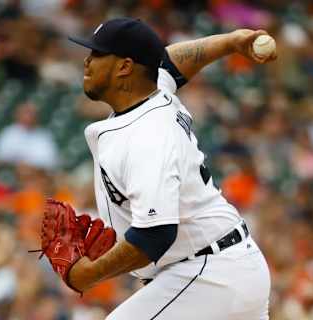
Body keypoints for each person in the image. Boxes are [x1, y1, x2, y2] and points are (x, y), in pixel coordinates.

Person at [66, 18, 276, 319]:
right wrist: (229, 42)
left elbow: (156, 234)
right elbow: (170, 62)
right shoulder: (153, 91)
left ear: (125, 67)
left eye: (98, 54)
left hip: (209, 275)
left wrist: (87, 275)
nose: (87, 61)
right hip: (224, 268)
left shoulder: (147, 137)